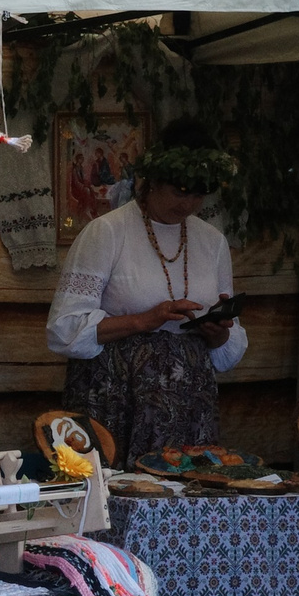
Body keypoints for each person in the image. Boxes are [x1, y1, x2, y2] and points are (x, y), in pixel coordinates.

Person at [46, 121, 246, 460]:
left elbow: (227, 349)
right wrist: (143, 321)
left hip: (188, 408)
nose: (188, 204)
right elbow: (64, 328)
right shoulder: (107, 232)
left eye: (198, 194)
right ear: (152, 181)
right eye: (179, 191)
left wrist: (218, 334)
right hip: (115, 400)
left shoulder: (212, 242)